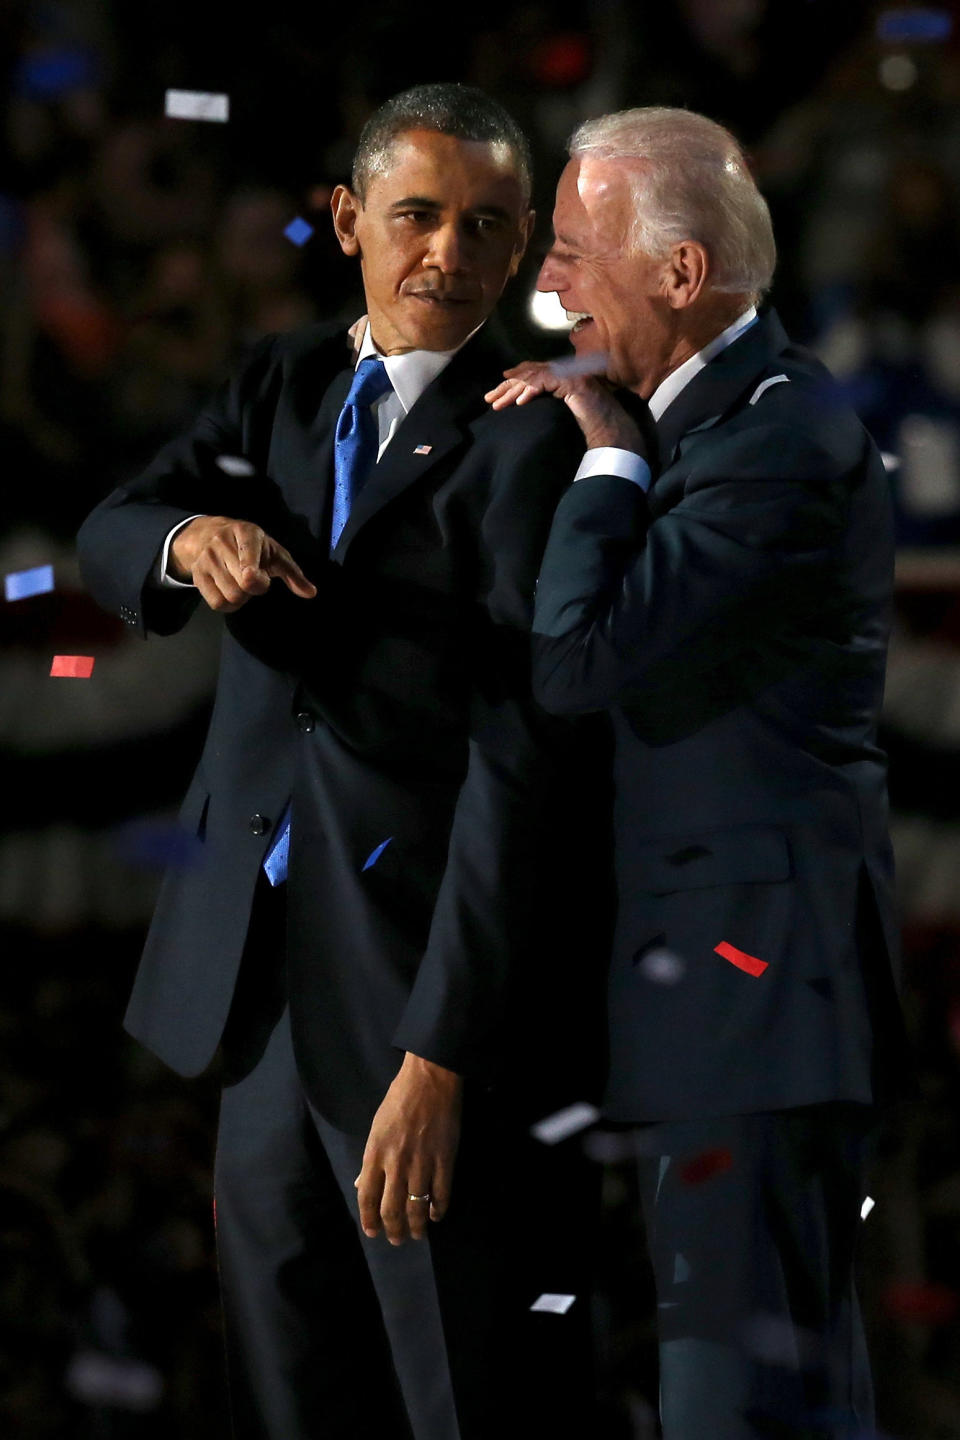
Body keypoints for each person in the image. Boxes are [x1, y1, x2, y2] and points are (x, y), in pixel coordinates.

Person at [78, 84, 608, 1440]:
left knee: (457, 1394)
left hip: (417, 999)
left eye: (487, 226)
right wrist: (186, 536)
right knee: (289, 1390)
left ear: (524, 242)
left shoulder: (540, 439)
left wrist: (441, 1055)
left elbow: (520, 770)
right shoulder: (283, 381)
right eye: (418, 216)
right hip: (254, 988)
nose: (448, 253)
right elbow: (114, 520)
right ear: (346, 220)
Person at [488, 106, 908, 1439]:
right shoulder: (729, 421)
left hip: (756, 1000)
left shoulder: (774, 438)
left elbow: (579, 659)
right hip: (729, 1007)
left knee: (737, 1408)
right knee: (781, 1403)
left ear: (680, 274)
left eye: (570, 251)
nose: (546, 286)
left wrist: (608, 451)